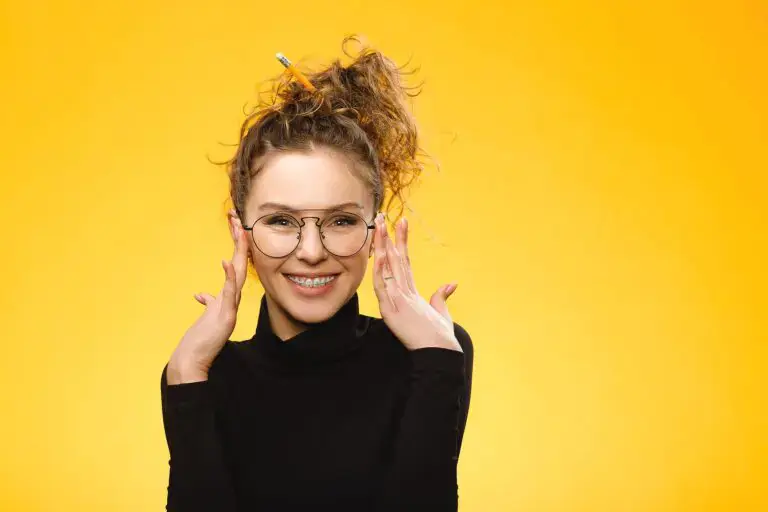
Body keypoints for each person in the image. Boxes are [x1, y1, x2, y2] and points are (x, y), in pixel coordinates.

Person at [160, 36, 474, 512]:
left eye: (342, 221)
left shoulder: (432, 357)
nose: (311, 252)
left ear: (375, 229)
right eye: (281, 221)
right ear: (240, 230)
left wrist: (437, 359)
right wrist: (185, 376)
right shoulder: (199, 373)